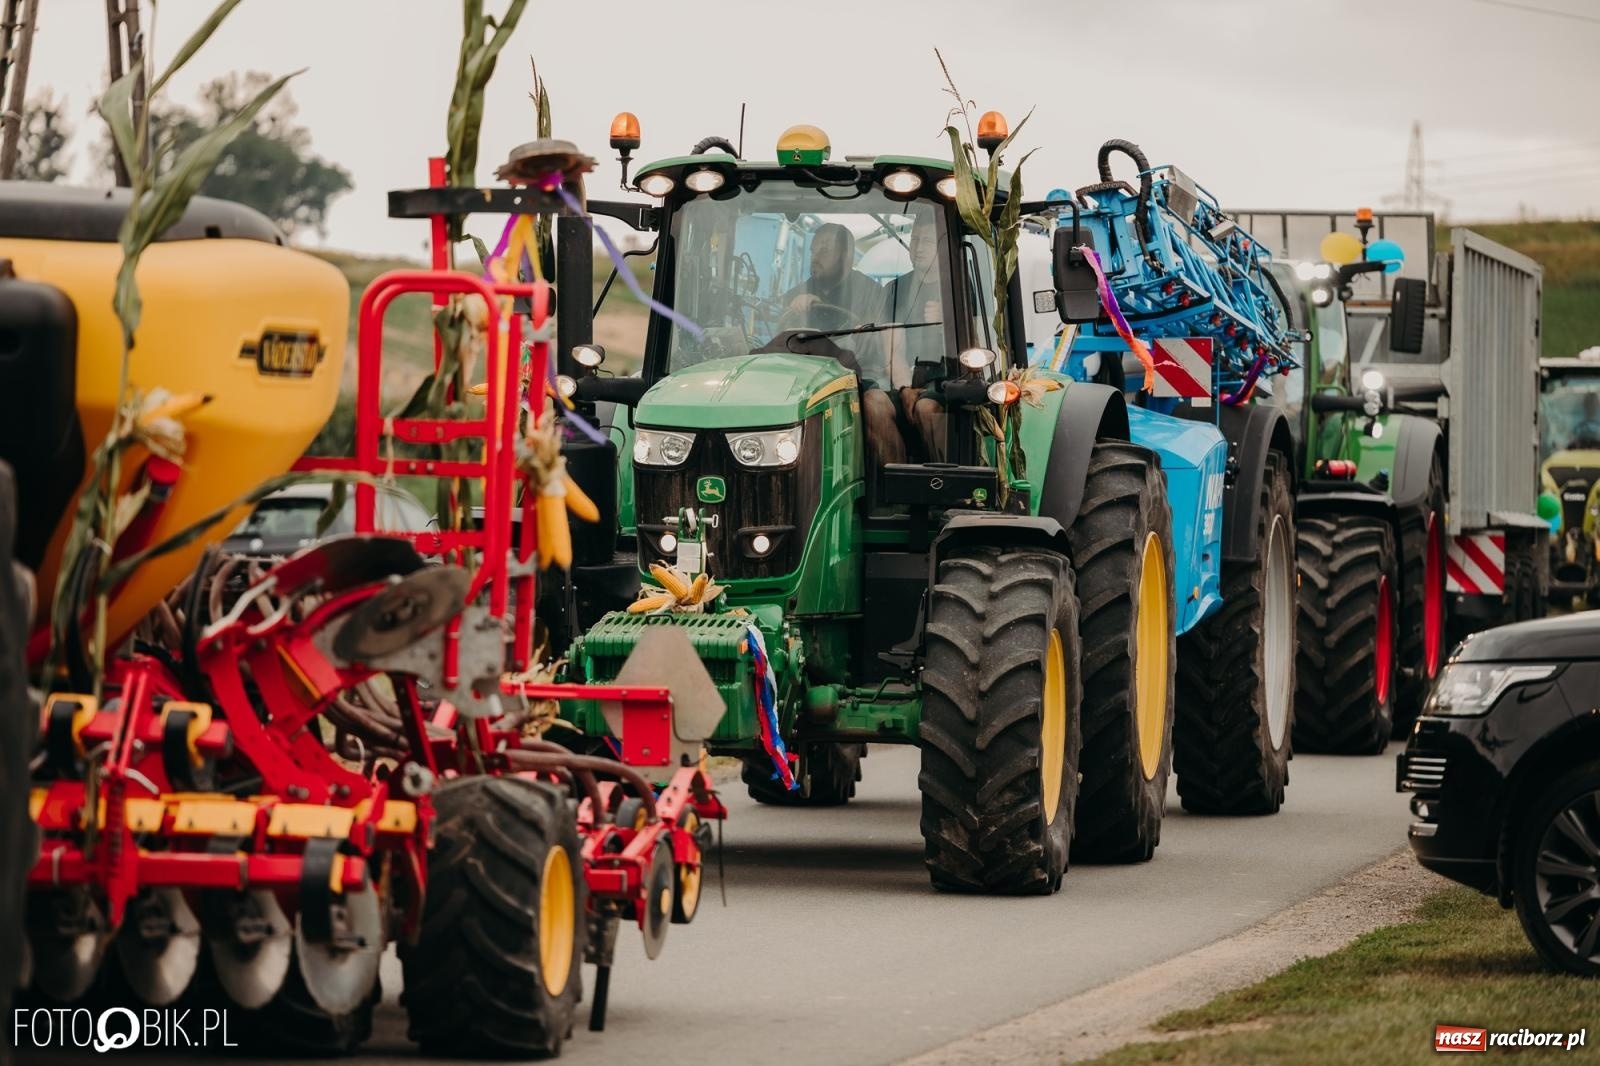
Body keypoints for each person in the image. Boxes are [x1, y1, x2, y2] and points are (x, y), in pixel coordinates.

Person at [778, 223, 907, 466]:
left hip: (860, 375)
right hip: (806, 381)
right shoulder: (795, 295)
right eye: (813, 250)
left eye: (824, 251)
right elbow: (780, 347)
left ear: (846, 256)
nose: (815, 257)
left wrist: (861, 334)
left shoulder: (872, 293)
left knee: (876, 407)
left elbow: (880, 347)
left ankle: (897, 490)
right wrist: (795, 313)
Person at [884, 217, 948, 460]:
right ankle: (892, 486)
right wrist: (904, 387)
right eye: (915, 240)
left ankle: (944, 481)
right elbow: (891, 346)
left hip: (945, 378)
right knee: (872, 403)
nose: (919, 248)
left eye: (928, 241)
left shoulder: (958, 286)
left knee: (926, 408)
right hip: (902, 377)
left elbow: (977, 343)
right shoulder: (895, 289)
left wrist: (946, 319)